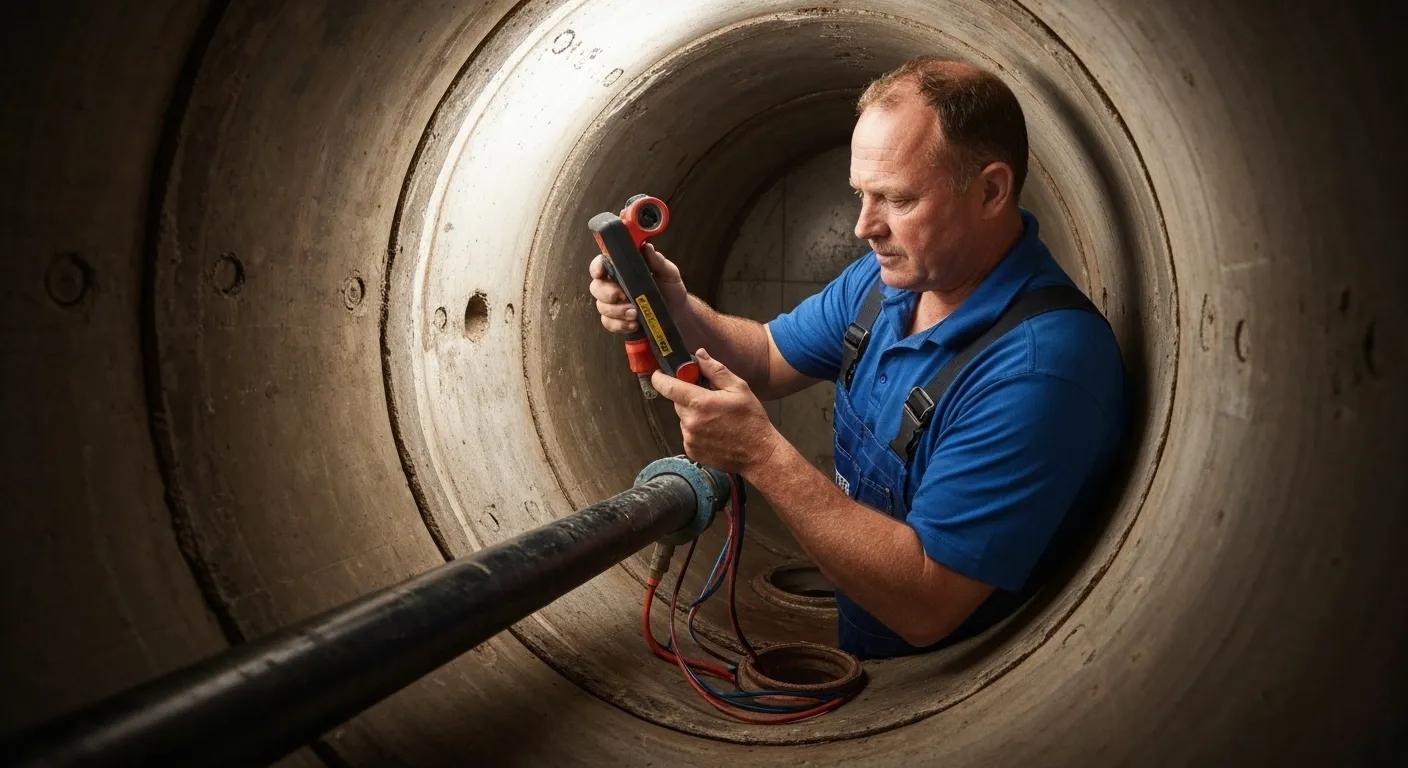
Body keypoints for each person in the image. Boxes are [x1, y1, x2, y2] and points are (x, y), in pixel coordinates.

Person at [587, 57, 1126, 659]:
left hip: (939, 691)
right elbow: (766, 357)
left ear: (991, 190)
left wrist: (762, 456)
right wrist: (673, 304)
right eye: (861, 195)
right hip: (864, 647)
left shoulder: (1040, 370)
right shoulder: (889, 279)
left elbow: (928, 604)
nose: (864, 228)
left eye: (896, 199)